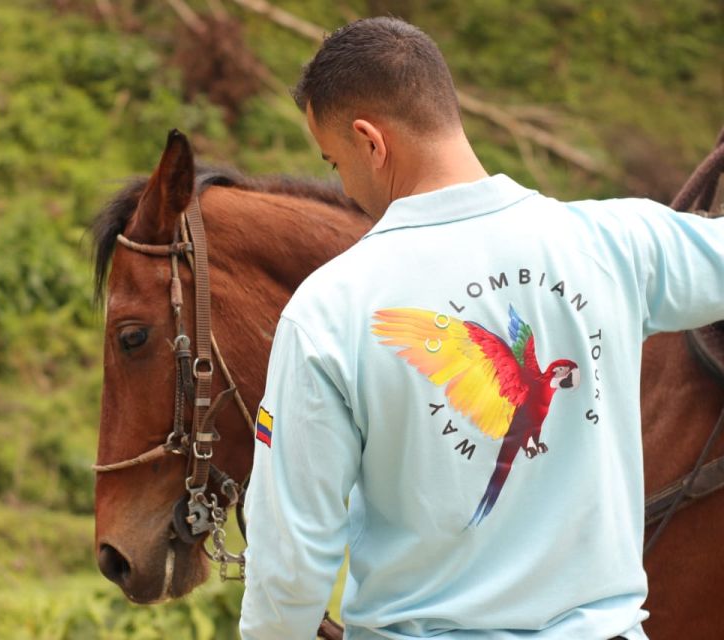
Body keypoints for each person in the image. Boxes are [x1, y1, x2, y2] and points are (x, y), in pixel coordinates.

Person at [238, 16, 724, 640]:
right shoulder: (614, 243)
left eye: (335, 162)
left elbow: (290, 562)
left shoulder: (331, 309)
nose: (345, 184)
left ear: (370, 142)